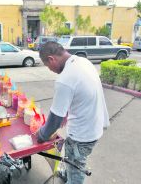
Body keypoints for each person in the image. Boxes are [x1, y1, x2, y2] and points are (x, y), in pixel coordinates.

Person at [37, 41, 110, 184]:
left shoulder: (64, 79)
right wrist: (66, 112)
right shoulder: (82, 62)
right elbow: (81, 92)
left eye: (47, 66)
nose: (49, 70)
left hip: (82, 135)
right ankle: (68, 172)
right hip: (94, 125)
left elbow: (54, 120)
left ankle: (73, 178)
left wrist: (41, 135)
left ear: (51, 59)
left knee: (77, 165)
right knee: (72, 156)